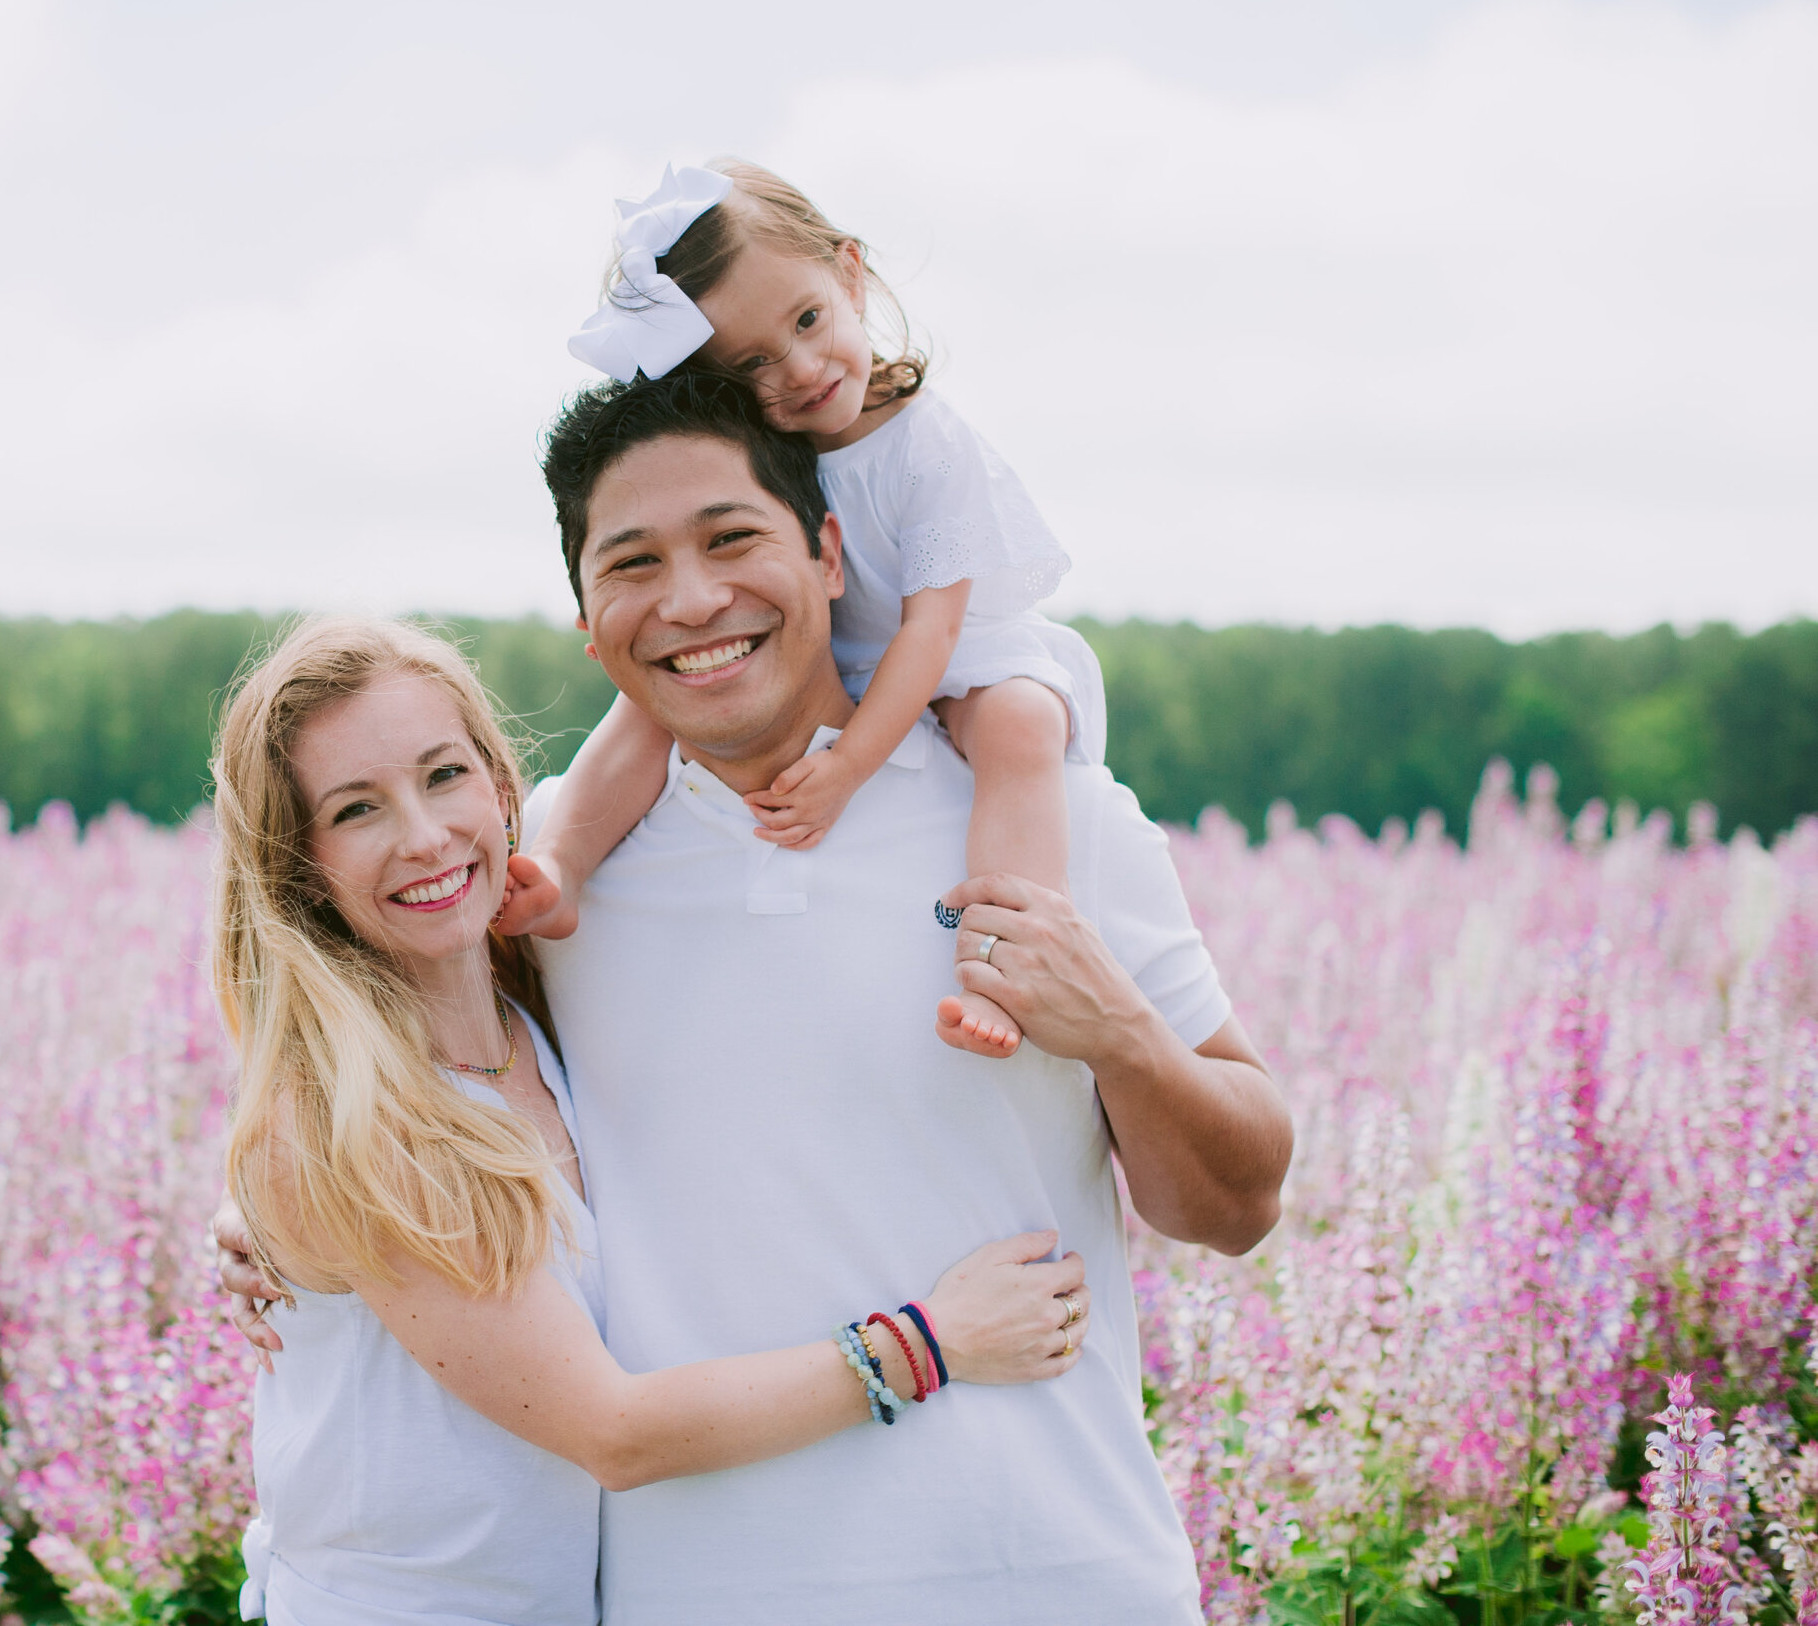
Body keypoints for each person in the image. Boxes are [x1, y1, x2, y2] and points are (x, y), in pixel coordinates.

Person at [222, 374, 1292, 1623]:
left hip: (1054, 1578)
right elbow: (390, 1051)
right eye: (632, 562)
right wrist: (280, 1215)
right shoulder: (558, 868)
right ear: (588, 618)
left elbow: (1239, 1201)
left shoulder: (1047, 826)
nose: (691, 599)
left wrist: (1119, 1035)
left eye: (732, 537)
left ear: (830, 554)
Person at [209, 615, 1109, 1626]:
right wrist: (935, 1339)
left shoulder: (528, 1002)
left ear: (503, 787)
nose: (424, 834)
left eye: (444, 774)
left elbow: (661, 691)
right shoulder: (349, 1120)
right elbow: (613, 1430)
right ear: (300, 865)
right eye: (357, 808)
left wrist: (846, 624)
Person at [503, 161, 1091, 1060]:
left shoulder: (928, 444)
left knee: (1017, 731)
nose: (804, 370)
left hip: (960, 660)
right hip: (833, 655)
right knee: (644, 709)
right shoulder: (771, 451)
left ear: (849, 273)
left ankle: (1007, 965)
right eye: (752, 365)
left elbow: (930, 630)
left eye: (810, 321)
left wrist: (849, 766)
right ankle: (560, 867)